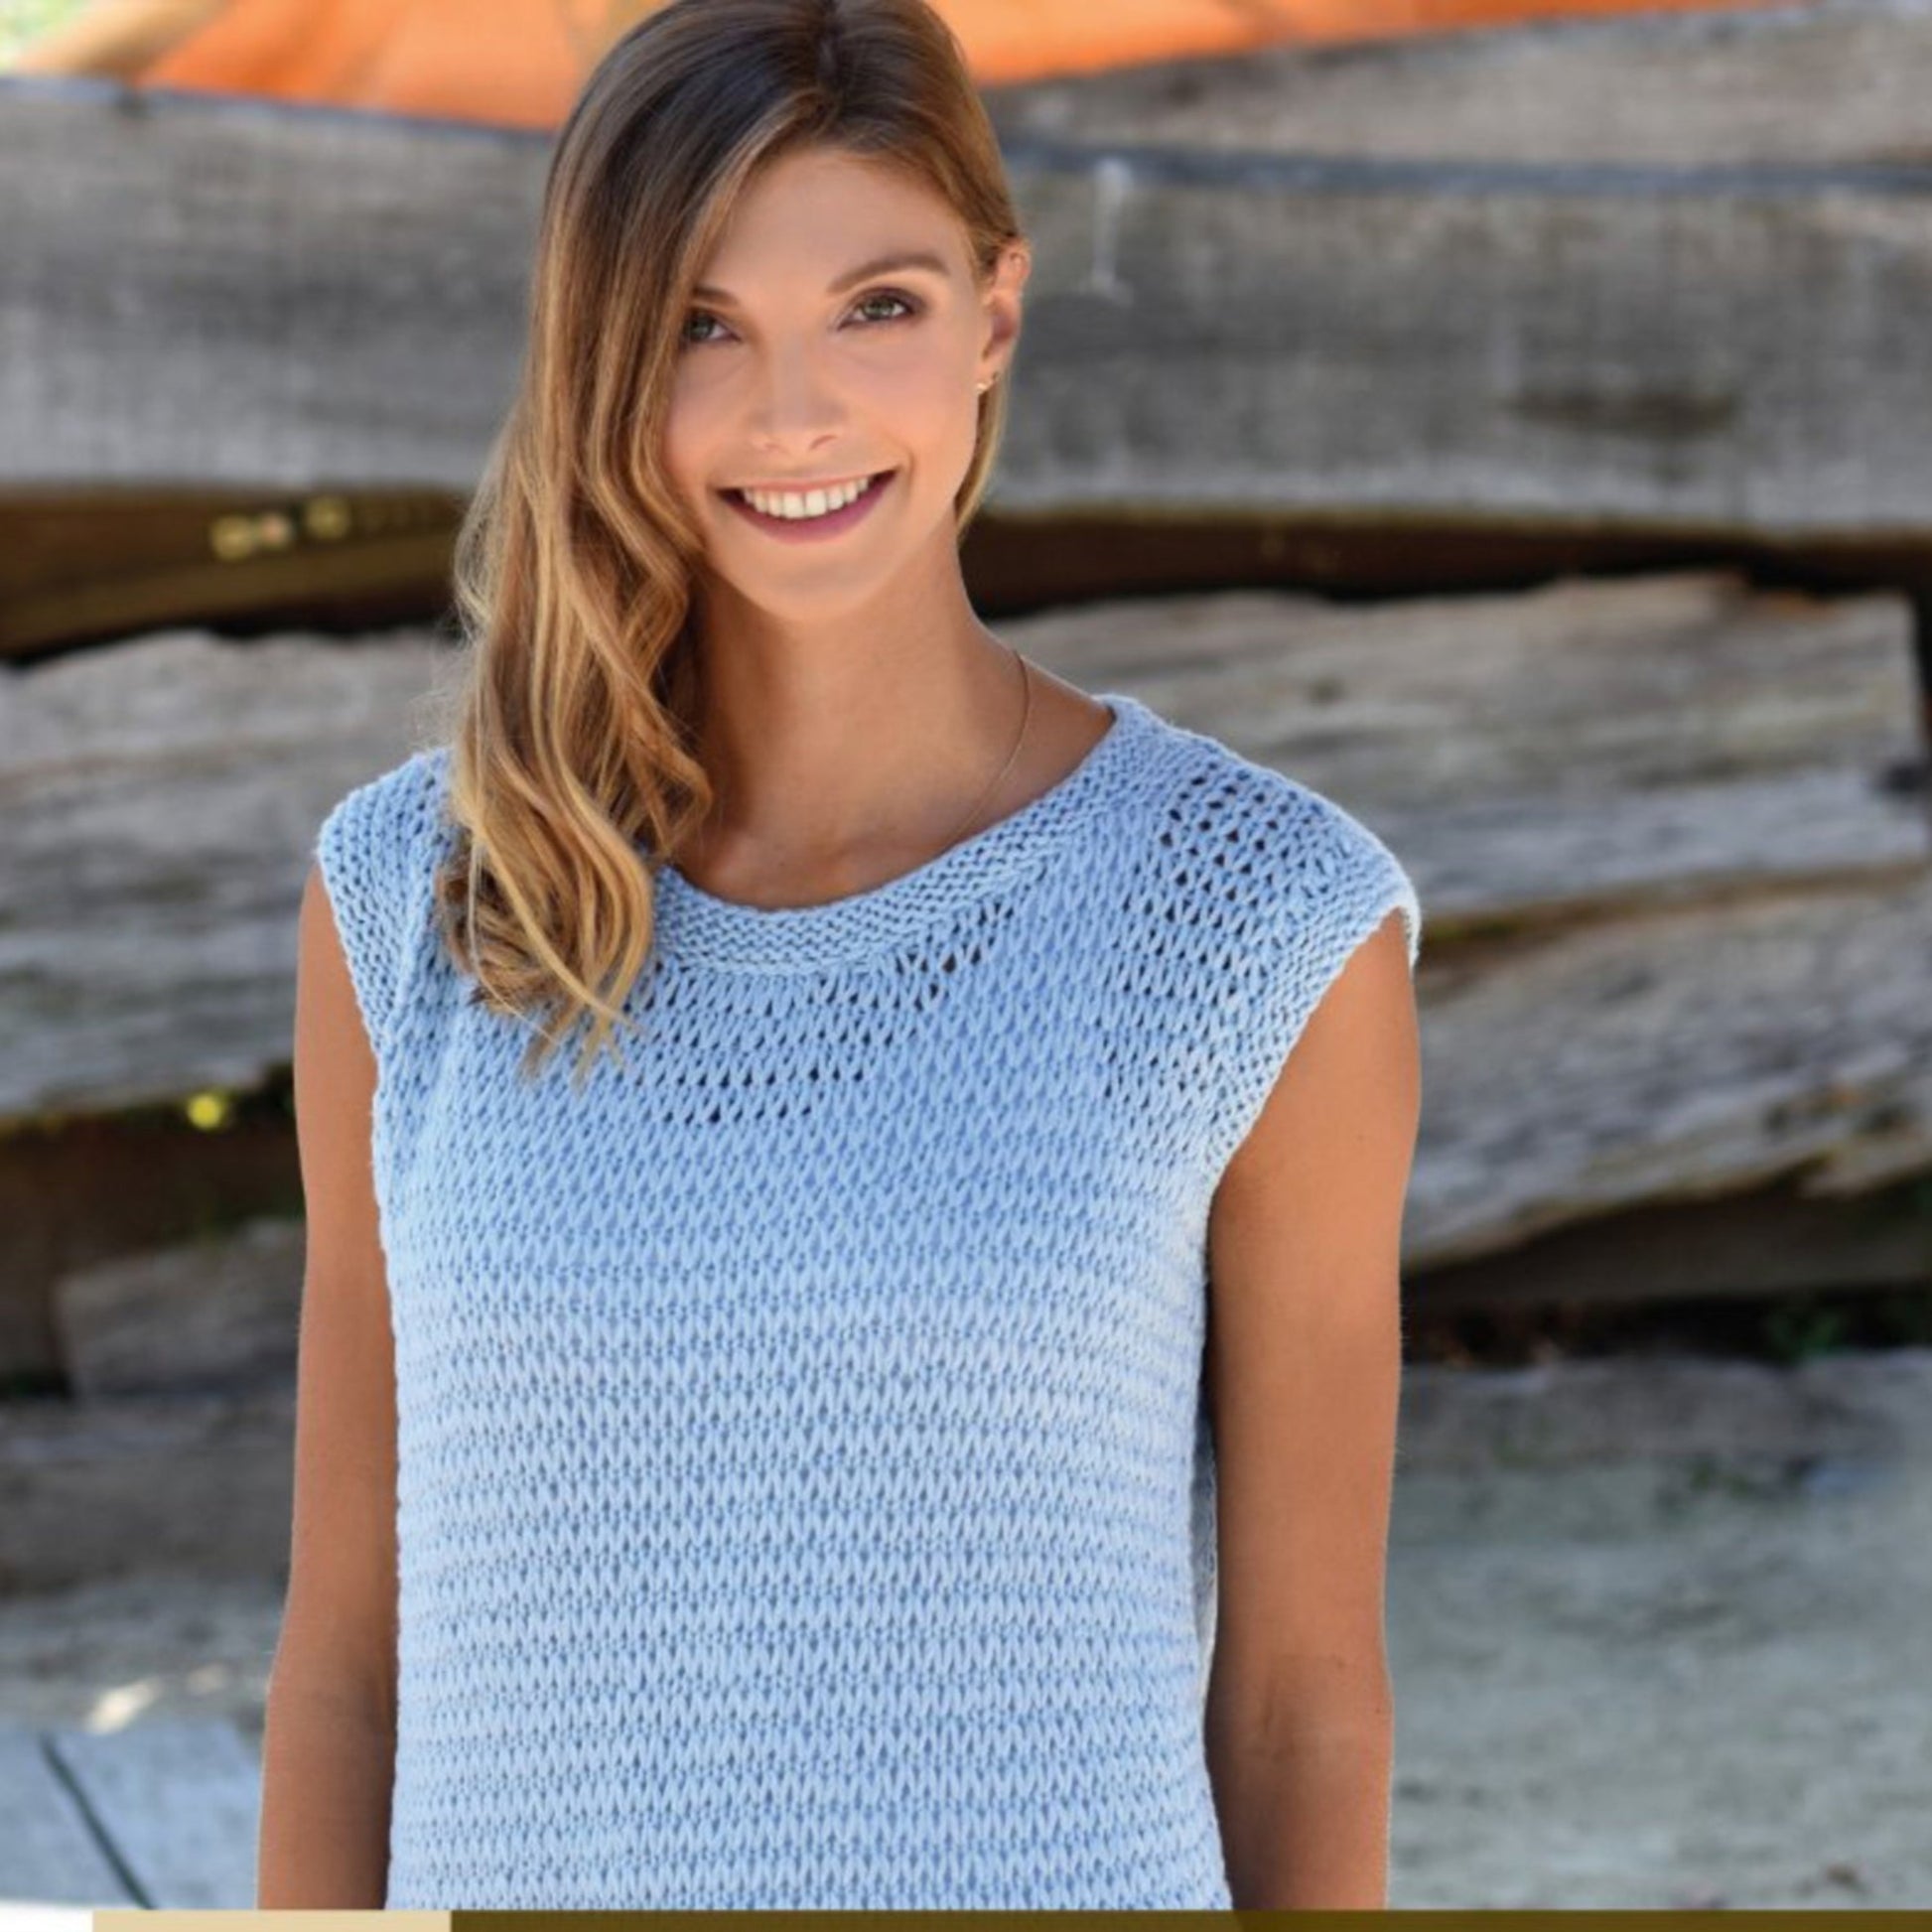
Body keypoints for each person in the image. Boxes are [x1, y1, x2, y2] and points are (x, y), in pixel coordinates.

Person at [257, 0, 1423, 1911]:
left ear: (995, 316)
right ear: (598, 364)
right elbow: (344, 1668)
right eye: (701, 327)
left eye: (873, 306)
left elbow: (1302, 1703)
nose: (792, 413)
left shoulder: (1259, 920)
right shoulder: (418, 900)